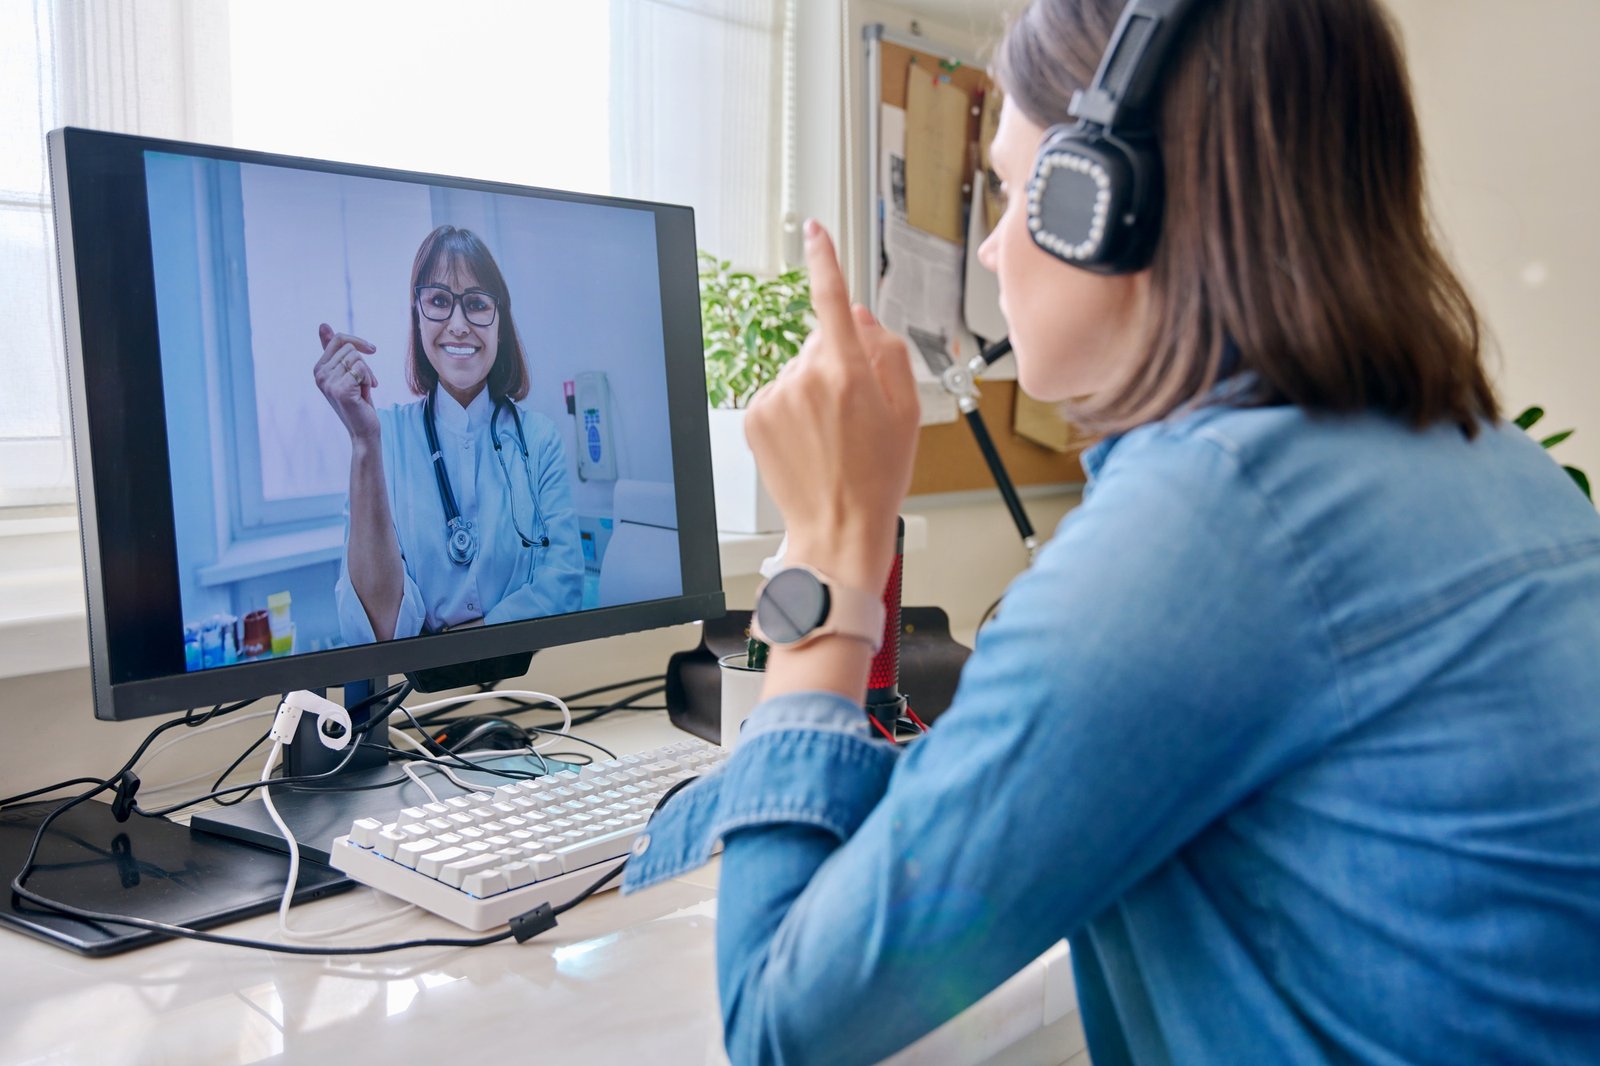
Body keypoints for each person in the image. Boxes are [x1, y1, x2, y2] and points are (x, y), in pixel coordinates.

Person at [620, 0, 1600, 1063]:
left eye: (1004, 191)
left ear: (1101, 199)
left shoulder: (1212, 523)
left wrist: (830, 543)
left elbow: (780, 1020)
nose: (991, 250)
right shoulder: (1489, 461)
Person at [316, 224, 583, 644]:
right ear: (417, 316)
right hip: (416, 698)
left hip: (529, 681)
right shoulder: (384, 438)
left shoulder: (539, 438)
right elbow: (378, 631)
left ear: (500, 322)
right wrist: (363, 443)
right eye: (439, 300)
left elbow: (565, 588)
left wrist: (464, 640)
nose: (458, 325)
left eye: (476, 304)